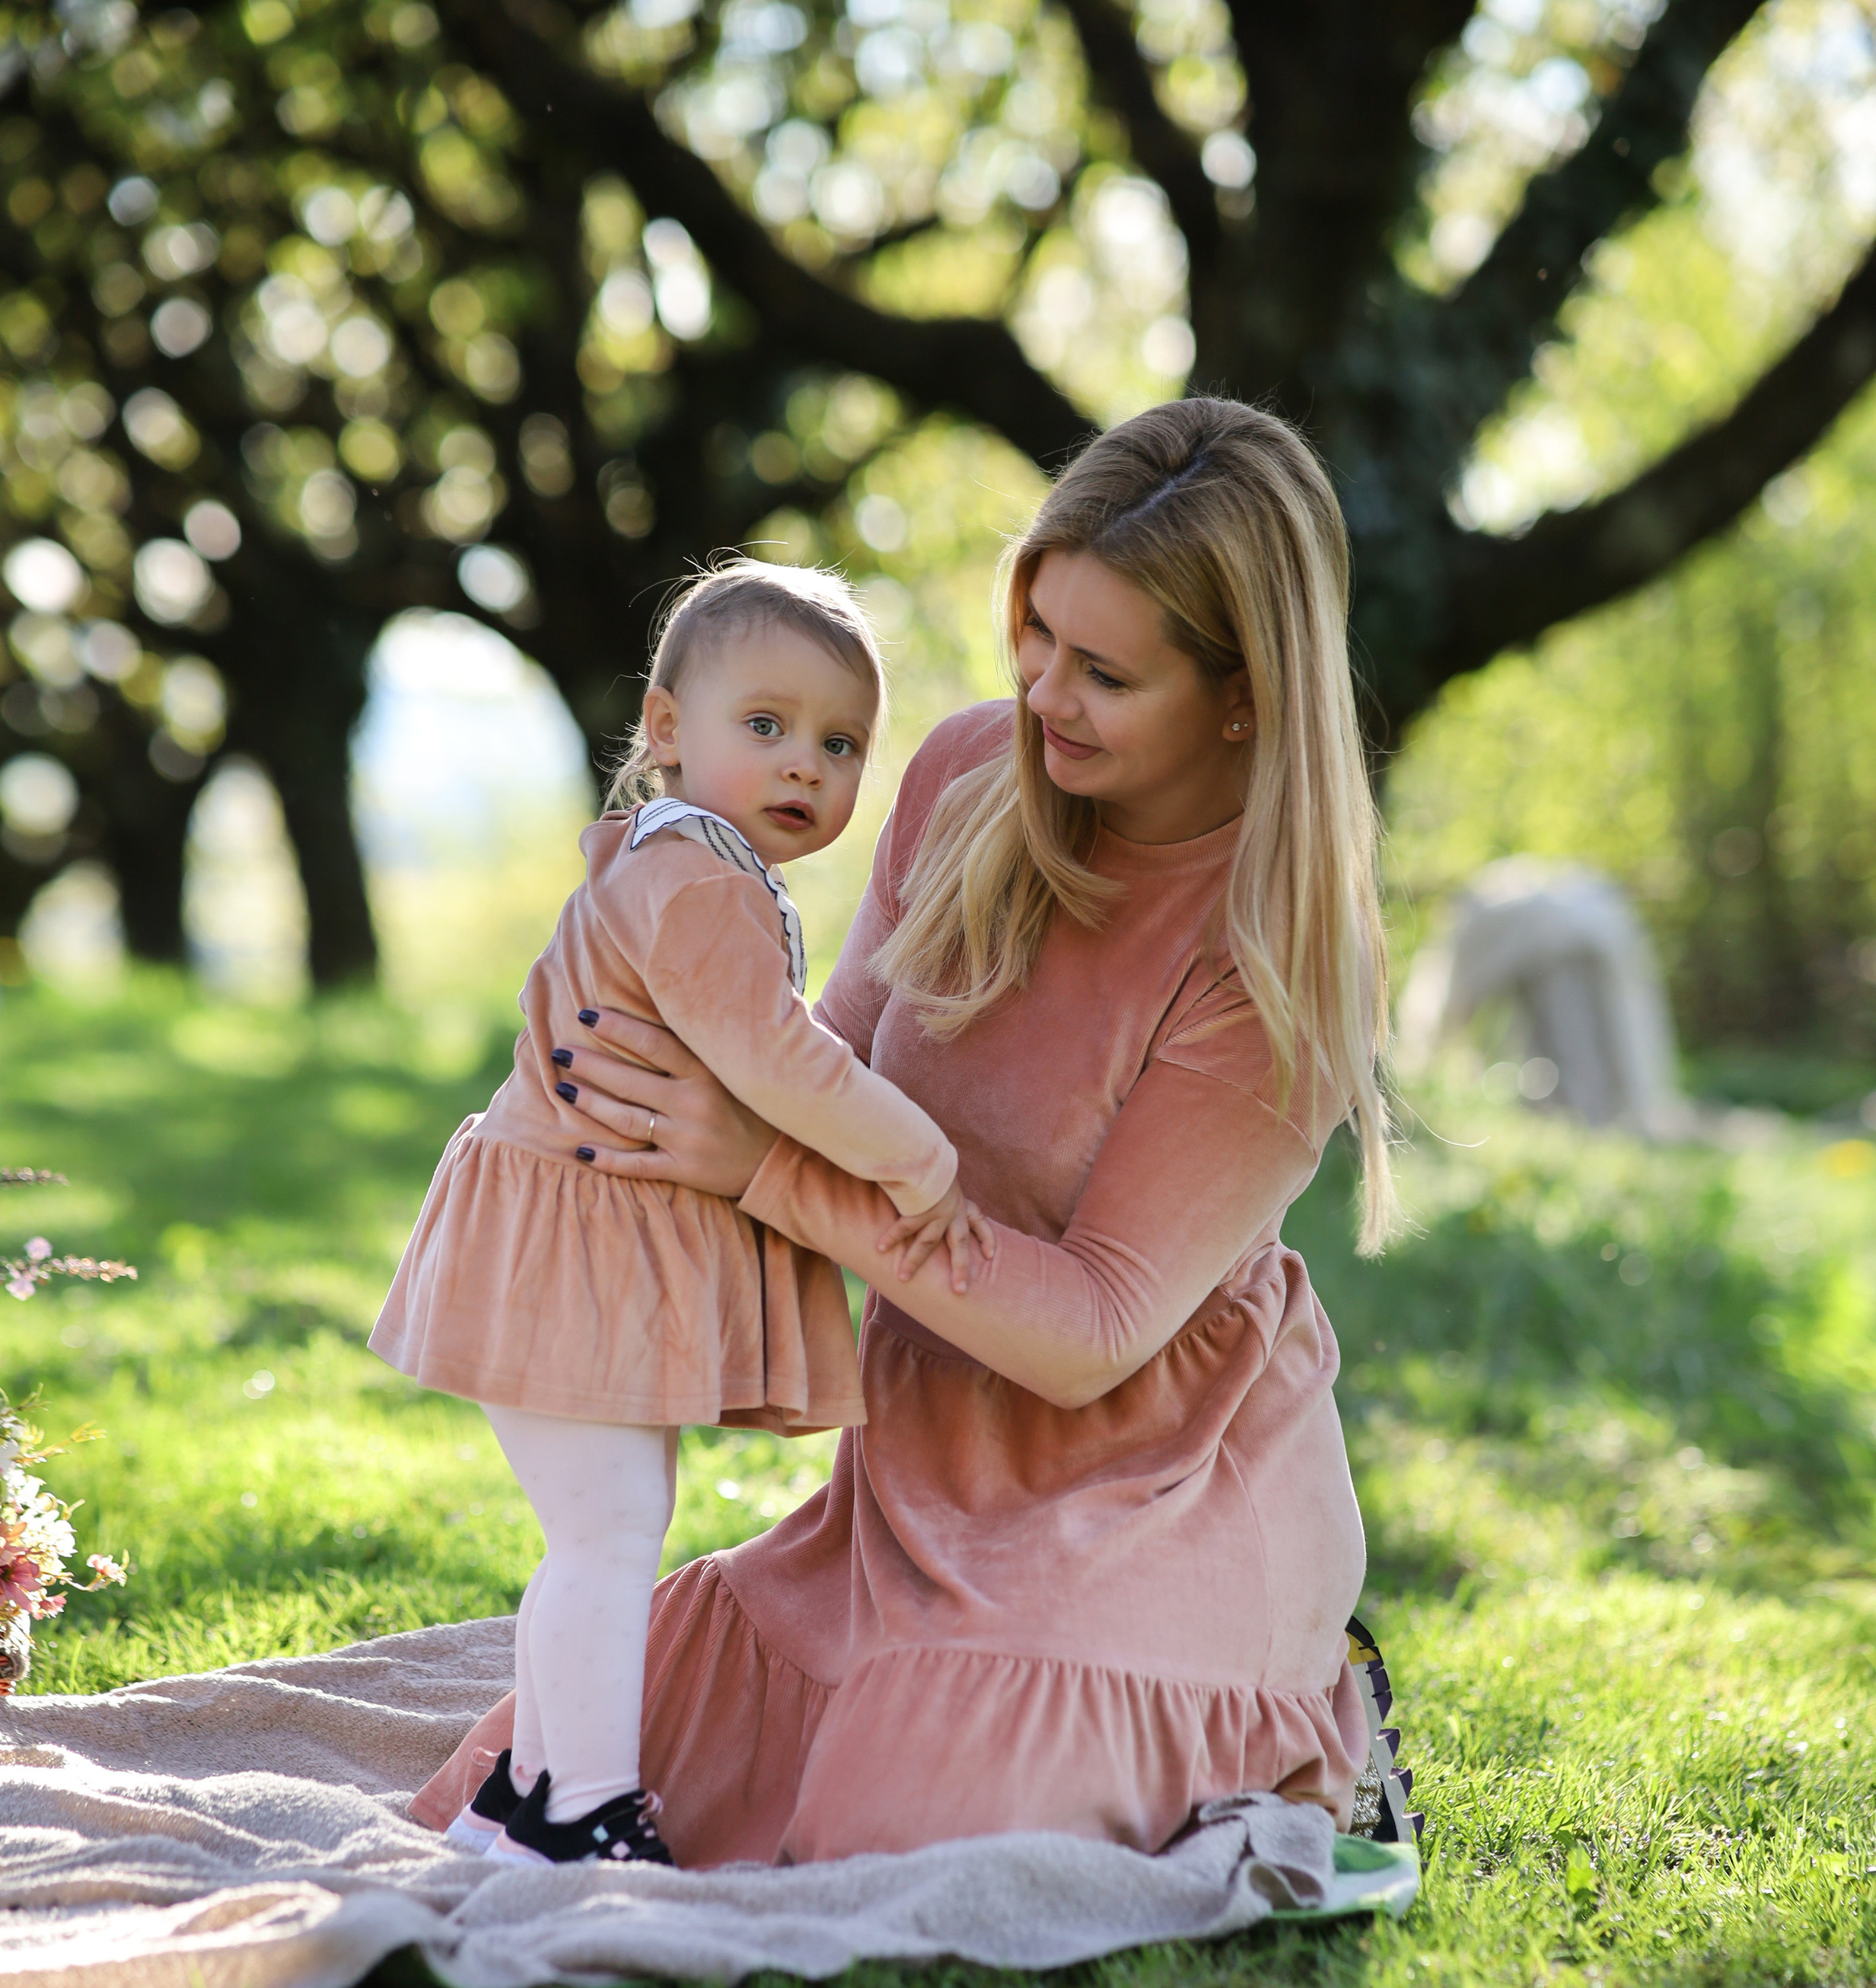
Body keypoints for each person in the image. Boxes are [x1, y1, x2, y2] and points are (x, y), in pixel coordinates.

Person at [411, 397, 1397, 1868]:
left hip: (1152, 1484)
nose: (1045, 696)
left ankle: (1298, 1708)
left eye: (1105, 673)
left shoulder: (1278, 956)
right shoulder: (965, 778)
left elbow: (1095, 1327)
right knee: (619, 1767)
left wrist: (763, 1169)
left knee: (903, 1825)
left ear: (1244, 694)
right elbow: (832, 1052)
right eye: (1037, 637)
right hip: (925, 1464)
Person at [371, 561, 989, 1868]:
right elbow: (778, 1060)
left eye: (839, 744)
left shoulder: (698, 863)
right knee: (605, 1537)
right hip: (565, 1247)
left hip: (569, 1240)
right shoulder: (696, 878)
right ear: (666, 728)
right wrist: (918, 1153)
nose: (803, 766)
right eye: (763, 726)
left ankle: (533, 1795)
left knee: (596, 1535)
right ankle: (584, 1805)